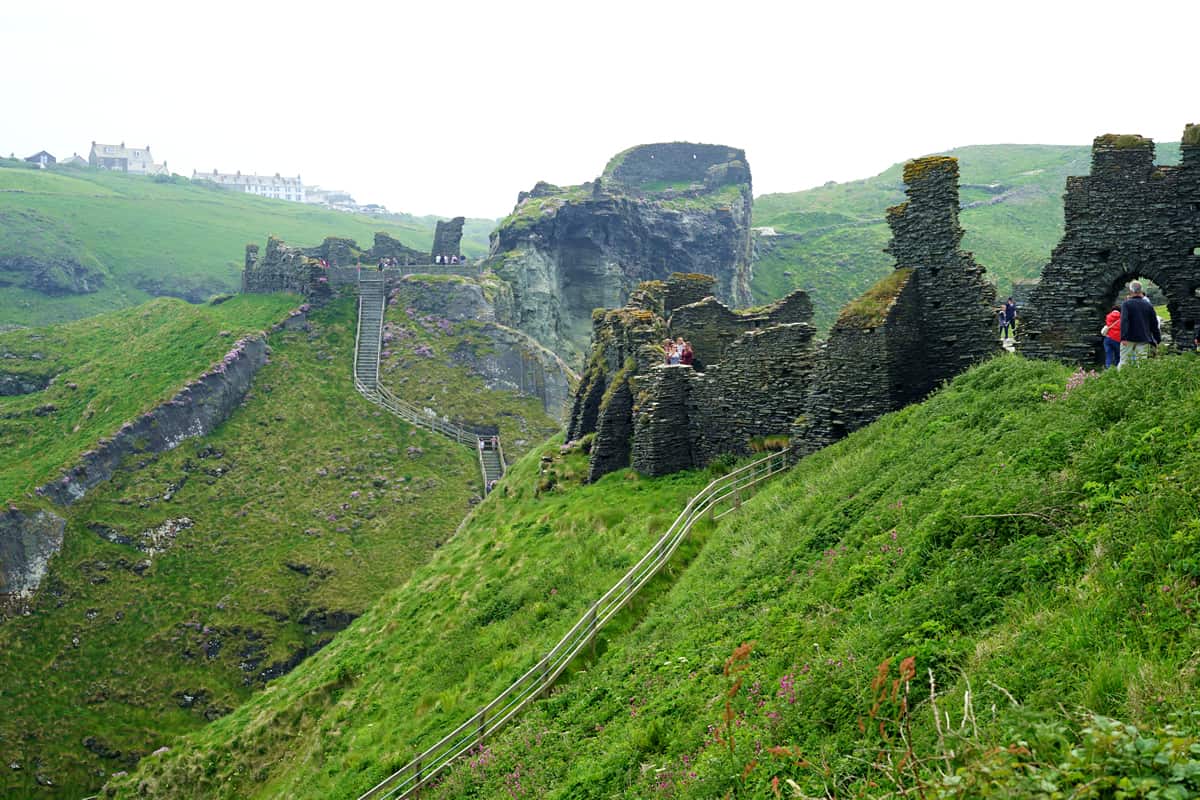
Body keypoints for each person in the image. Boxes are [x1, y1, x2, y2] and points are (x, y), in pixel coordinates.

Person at [1118, 280, 1160, 368]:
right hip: (1143, 338)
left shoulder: (1126, 304)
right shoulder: (1148, 305)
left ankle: (1122, 379)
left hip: (1128, 338)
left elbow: (1124, 321)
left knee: (1124, 361)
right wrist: (1157, 339)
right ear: (1141, 290)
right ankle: (1141, 380)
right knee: (1141, 363)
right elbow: (1154, 323)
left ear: (1131, 291)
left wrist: (1123, 337)